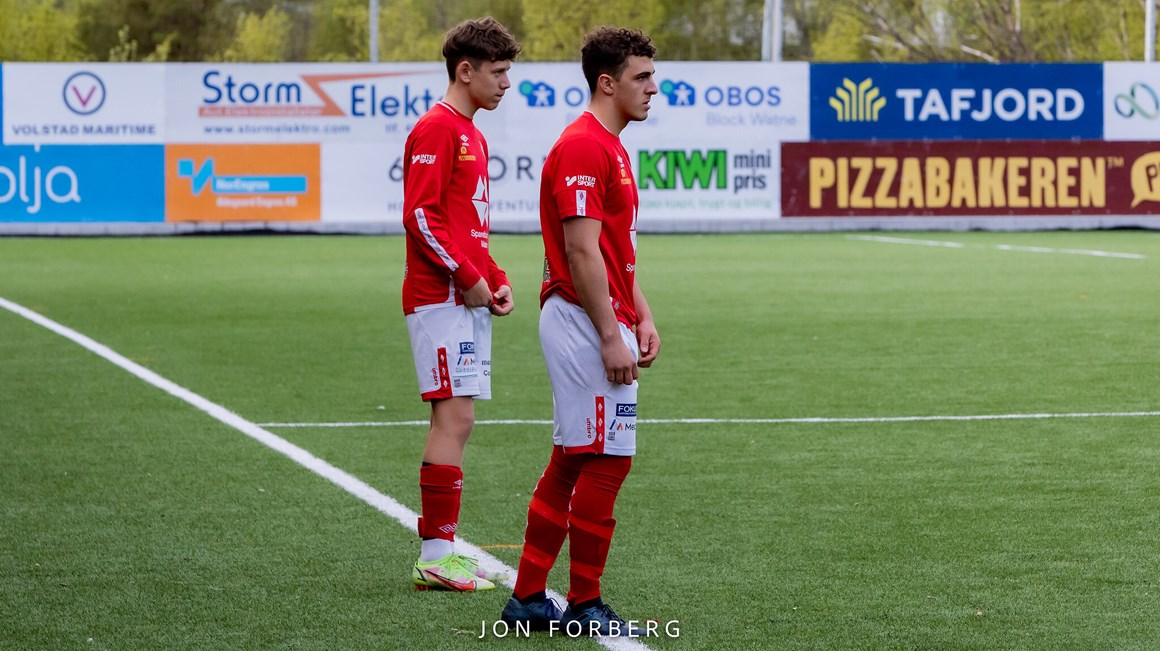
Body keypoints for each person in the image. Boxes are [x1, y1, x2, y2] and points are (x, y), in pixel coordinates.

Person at [500, 26, 661, 635]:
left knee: (575, 457)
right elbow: (581, 251)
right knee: (606, 461)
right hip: (580, 317)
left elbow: (616, 253)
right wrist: (609, 334)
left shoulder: (611, 145)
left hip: (598, 315)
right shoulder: (583, 146)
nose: (653, 87)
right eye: (642, 77)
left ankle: (529, 598)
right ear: (607, 82)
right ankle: (584, 603)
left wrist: (640, 311)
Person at [401, 16, 520, 592]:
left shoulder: (473, 132)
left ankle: (442, 551)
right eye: (497, 73)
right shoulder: (438, 128)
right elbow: (421, 217)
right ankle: (434, 554)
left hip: (463, 296)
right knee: (456, 417)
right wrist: (469, 276)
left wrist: (492, 276)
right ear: (465, 70)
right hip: (437, 298)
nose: (505, 84)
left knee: (460, 419)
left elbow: (467, 226)